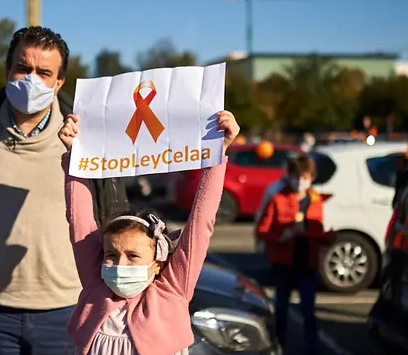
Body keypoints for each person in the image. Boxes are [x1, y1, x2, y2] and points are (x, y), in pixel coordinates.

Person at [0, 26, 128, 354]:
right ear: (8, 71)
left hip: (68, 314)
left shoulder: (88, 140)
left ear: (59, 82)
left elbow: (116, 218)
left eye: (44, 72)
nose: (31, 79)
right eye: (23, 68)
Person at [58, 111, 237, 354]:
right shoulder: (95, 285)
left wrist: (218, 152)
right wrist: (74, 156)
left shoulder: (172, 290)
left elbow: (201, 222)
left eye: (133, 256)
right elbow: (79, 220)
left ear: (156, 263)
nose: (120, 264)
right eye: (111, 254)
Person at [255, 155, 335, 354]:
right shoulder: (278, 198)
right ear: (289, 175)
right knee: (281, 309)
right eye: (297, 176)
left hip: (307, 263)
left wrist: (327, 237)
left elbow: (318, 229)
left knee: (308, 309)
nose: (300, 181)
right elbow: (262, 230)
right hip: (284, 263)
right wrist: (280, 236)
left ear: (312, 177)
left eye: (305, 177)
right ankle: (279, 345)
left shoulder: (316, 200)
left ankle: (312, 348)